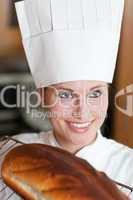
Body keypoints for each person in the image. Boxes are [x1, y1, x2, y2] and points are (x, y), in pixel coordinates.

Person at [0, 0, 133, 199]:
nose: (82, 112)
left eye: (95, 93)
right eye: (66, 94)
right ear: (42, 96)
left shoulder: (128, 166)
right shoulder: (10, 152)